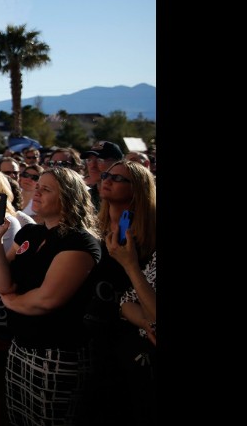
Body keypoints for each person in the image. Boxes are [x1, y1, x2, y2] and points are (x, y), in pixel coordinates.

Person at [0, 167, 101, 425]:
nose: (36, 192)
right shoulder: (30, 233)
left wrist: (12, 301)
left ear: (68, 198)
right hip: (21, 346)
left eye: (46, 189)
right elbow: (3, 283)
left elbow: (48, 299)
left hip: (57, 353)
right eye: (37, 186)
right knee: (19, 419)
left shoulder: (80, 243)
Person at [86, 160, 157, 425]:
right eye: (106, 175)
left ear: (137, 189)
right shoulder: (93, 230)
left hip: (133, 347)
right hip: (94, 338)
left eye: (118, 178)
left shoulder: (149, 238)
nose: (108, 180)